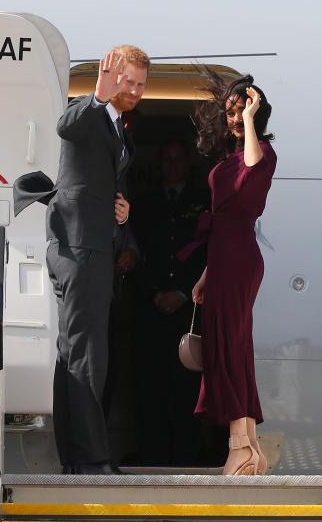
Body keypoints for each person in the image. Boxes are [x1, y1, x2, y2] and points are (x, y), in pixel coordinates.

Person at [37, 45, 149, 475]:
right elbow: (66, 127)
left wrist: (122, 213)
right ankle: (91, 459)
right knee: (87, 355)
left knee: (74, 352)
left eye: (141, 84)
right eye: (128, 81)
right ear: (110, 77)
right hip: (79, 248)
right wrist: (97, 96)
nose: (135, 90)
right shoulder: (89, 114)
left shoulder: (119, 126)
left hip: (95, 244)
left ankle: (75, 456)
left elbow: (99, 181)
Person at [190, 72, 276, 476]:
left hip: (240, 257)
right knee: (232, 348)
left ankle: (239, 448)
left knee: (228, 348)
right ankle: (251, 450)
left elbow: (254, 171)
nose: (234, 117)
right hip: (222, 258)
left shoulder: (261, 154)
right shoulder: (227, 159)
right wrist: (207, 273)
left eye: (240, 109)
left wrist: (252, 119)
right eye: (230, 111)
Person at [132, 140, 211, 465]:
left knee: (186, 386)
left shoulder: (202, 201)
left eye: (179, 159)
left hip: (187, 308)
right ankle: (152, 455)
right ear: (160, 164)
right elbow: (136, 254)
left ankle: (186, 457)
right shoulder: (144, 203)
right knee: (150, 384)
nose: (173, 165)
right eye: (168, 159)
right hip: (150, 307)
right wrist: (153, 293)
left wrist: (181, 292)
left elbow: (207, 252)